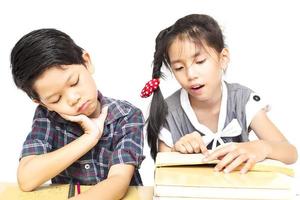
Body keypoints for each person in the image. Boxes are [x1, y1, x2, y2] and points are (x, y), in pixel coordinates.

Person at [141, 14, 297, 173]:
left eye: (200, 61)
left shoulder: (242, 100)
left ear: (223, 58)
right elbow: (162, 174)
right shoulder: (168, 113)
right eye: (179, 68)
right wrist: (177, 151)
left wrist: (261, 147)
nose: (190, 74)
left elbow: (290, 153)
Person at [10, 28, 144, 199]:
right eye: (56, 99)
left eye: (74, 82)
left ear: (86, 62)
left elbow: (118, 182)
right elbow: (27, 179)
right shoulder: (47, 117)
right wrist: (88, 139)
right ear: (41, 103)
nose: (73, 99)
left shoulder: (126, 116)